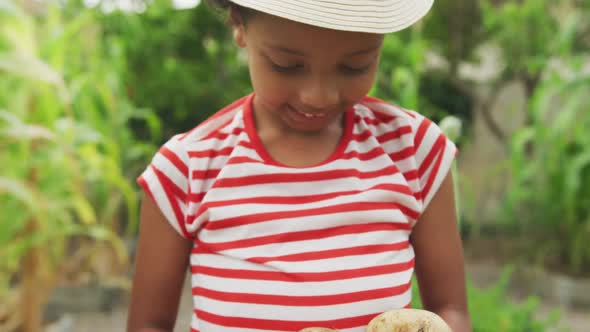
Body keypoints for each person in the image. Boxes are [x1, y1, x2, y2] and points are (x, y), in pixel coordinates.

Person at [127, 0, 471, 331]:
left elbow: (450, 311)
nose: (317, 96)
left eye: (354, 66)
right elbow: (149, 325)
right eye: (285, 65)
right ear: (238, 23)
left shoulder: (413, 152)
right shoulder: (187, 169)